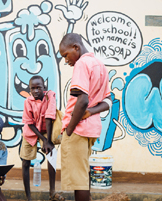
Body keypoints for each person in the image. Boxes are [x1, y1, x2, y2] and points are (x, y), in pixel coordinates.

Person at [59, 33, 111, 201]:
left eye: (66, 55)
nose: (66, 60)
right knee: (82, 175)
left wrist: (68, 130)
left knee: (78, 180)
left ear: (76, 47)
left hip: (78, 130)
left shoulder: (82, 64)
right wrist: (91, 112)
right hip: (91, 129)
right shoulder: (100, 65)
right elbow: (108, 101)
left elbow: (82, 101)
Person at [20, 75, 64, 201]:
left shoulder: (50, 96)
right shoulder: (28, 101)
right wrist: (44, 140)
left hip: (46, 131)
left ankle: (52, 192)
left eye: (38, 88)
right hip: (31, 132)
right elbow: (29, 123)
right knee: (25, 162)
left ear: (44, 88)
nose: (36, 91)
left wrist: (48, 141)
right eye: (32, 88)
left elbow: (49, 117)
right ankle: (28, 197)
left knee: (51, 154)